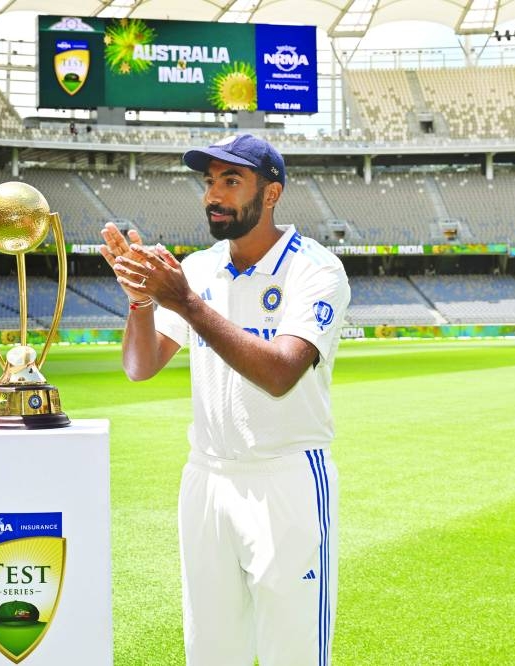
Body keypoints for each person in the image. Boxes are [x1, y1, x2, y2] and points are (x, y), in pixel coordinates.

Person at [100, 134, 350, 666]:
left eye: (231, 181)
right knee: (211, 652)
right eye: (209, 181)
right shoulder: (199, 267)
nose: (213, 194)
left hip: (286, 479)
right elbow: (140, 367)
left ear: (272, 192)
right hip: (207, 478)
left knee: (294, 653)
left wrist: (185, 302)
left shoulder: (315, 269)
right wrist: (143, 303)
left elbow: (281, 372)